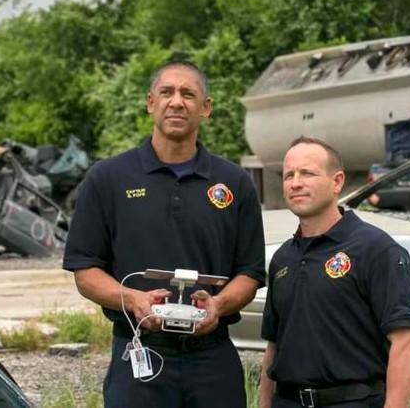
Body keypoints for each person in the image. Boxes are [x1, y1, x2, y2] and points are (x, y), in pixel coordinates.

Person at [63, 60, 266, 408]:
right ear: (150, 103)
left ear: (206, 109)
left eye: (188, 94)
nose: (177, 102)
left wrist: (217, 305)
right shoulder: (108, 178)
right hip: (140, 356)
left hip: (211, 359)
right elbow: (86, 272)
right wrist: (134, 300)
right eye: (167, 92)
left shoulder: (234, 183)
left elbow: (249, 273)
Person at [259, 136, 410, 408]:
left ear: (337, 182)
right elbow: (274, 347)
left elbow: (408, 340)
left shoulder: (376, 249)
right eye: (289, 175)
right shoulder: (282, 258)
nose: (295, 182)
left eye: (307, 173)